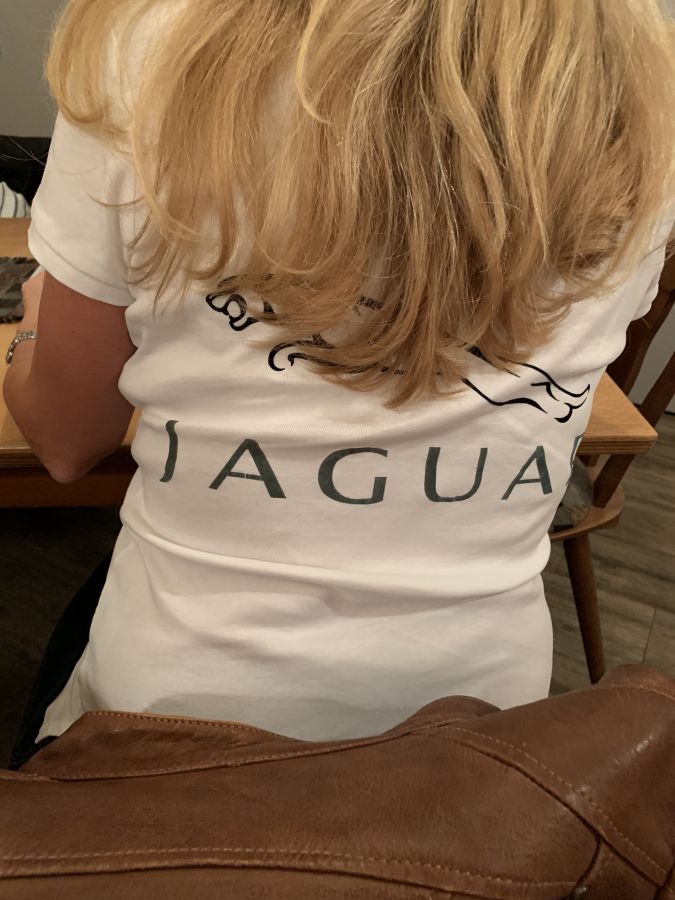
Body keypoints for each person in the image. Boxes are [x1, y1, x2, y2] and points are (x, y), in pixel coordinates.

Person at [4, 0, 675, 763]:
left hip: (174, 726)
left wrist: (34, 322)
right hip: (481, 734)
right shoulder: (645, 98)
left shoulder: (150, 41)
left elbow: (65, 444)